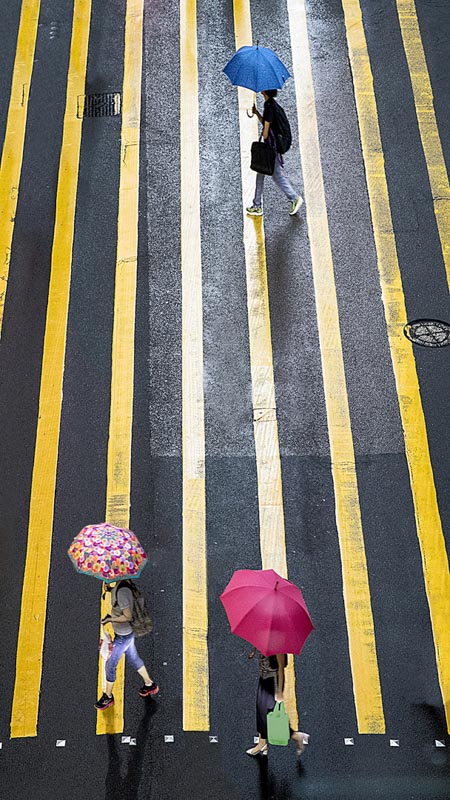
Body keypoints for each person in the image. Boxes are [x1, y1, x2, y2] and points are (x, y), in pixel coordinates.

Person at [94, 579, 159, 710]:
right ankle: (149, 684)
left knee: (110, 665)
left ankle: (108, 697)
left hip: (123, 636)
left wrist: (110, 619)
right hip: (125, 634)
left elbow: (128, 616)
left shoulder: (123, 591)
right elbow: (122, 601)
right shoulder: (122, 584)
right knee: (133, 658)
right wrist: (110, 589)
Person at [246, 89, 303, 218]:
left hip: (271, 148)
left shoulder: (269, 108)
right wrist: (257, 113)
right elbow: (269, 124)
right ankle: (256, 205)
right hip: (274, 146)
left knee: (276, 175)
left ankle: (294, 198)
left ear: (264, 92)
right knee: (261, 174)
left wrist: (264, 135)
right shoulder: (271, 105)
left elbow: (266, 132)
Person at [246, 649, 308, 756]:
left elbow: (281, 670)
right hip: (263, 679)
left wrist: (279, 692)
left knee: (267, 714)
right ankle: (263, 742)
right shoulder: (266, 638)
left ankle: (297, 736)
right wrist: (253, 651)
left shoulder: (278, 647)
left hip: (272, 683)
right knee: (261, 711)